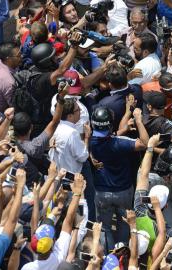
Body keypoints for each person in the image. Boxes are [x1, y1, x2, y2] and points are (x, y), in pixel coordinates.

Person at [90, 106, 147, 251]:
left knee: (105, 228)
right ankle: (122, 253)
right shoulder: (120, 143)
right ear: (110, 126)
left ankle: (109, 256)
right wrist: (139, 121)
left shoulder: (90, 142)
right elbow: (145, 143)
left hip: (102, 192)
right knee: (124, 223)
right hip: (123, 191)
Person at [48, 98, 90, 173]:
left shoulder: (55, 127)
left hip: (57, 173)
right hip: (70, 177)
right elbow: (83, 157)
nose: (80, 111)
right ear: (70, 116)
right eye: (78, 110)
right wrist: (86, 137)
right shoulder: (72, 133)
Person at [95, 65, 143, 131]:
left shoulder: (104, 104)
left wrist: (88, 96)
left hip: (117, 136)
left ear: (110, 85)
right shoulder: (138, 88)